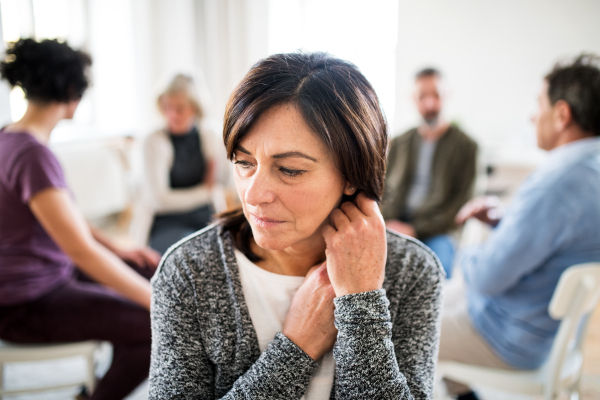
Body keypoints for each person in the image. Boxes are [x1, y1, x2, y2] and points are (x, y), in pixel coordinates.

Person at [149, 52, 444, 399]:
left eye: (289, 170)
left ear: (352, 174)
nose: (254, 195)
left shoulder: (413, 271)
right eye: (244, 162)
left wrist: (360, 302)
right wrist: (296, 347)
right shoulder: (189, 271)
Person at [0, 38, 160, 400]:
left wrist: (118, 246)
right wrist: (154, 302)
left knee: (152, 270)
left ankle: (118, 353)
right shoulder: (31, 155)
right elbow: (80, 251)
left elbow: (66, 221)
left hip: (42, 280)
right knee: (157, 325)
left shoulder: (11, 137)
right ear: (72, 90)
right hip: (25, 304)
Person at [439, 54, 600, 400]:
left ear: (562, 115)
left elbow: (484, 278)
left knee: (403, 326)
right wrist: (505, 221)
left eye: (538, 105)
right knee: (438, 298)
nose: (532, 116)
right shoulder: (592, 169)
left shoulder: (554, 185)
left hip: (509, 337)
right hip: (549, 331)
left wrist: (467, 247)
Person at [381, 68, 478, 278]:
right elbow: (383, 190)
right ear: (413, 99)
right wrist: (387, 223)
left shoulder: (466, 147)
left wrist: (415, 229)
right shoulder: (399, 143)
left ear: (447, 94)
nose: (429, 104)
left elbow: (461, 206)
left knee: (435, 275)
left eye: (435, 95)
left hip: (438, 231)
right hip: (395, 223)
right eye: (422, 96)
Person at [131, 74, 224, 254]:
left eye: (180, 108)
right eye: (167, 107)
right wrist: (206, 191)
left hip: (205, 216)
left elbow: (225, 182)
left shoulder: (212, 135)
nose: (172, 115)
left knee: (224, 253)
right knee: (190, 254)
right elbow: (160, 200)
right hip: (166, 221)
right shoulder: (151, 140)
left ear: (195, 108)